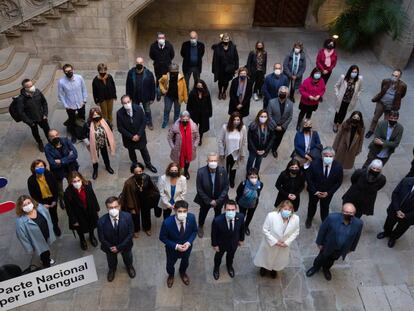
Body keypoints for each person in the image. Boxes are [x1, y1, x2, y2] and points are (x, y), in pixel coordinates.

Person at [306, 203, 362, 280]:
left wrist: (351, 248)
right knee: (321, 258)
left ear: (354, 213)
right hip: (328, 245)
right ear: (342, 211)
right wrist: (319, 243)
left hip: (340, 249)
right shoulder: (332, 218)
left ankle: (326, 269)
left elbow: (357, 237)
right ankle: (315, 267)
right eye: (346, 212)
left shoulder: (358, 223)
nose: (348, 214)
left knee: (332, 260)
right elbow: (322, 230)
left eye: (351, 213)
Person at [254, 200, 300, 278]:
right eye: (285, 209)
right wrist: (275, 242)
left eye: (289, 210)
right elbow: (265, 230)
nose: (287, 211)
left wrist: (287, 242)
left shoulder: (296, 219)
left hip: (283, 245)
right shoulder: (271, 216)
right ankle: (264, 267)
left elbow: (296, 231)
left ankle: (274, 269)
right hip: (270, 244)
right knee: (266, 256)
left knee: (278, 259)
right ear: (280, 208)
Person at [159, 200, 198, 288]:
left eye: (184, 211)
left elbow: (195, 231)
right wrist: (176, 246)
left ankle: (182, 273)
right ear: (175, 210)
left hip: (187, 248)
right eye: (179, 211)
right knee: (170, 265)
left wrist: (188, 243)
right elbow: (162, 237)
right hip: (172, 250)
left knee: (185, 262)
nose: (182, 213)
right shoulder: (167, 223)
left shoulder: (191, 218)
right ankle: (171, 275)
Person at [97, 196, 135, 282]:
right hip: (110, 247)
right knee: (111, 260)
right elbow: (101, 238)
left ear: (119, 206)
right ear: (107, 208)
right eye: (110, 207)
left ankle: (129, 267)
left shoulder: (127, 217)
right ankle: (112, 270)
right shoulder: (101, 221)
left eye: (115, 207)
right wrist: (111, 247)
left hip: (125, 245)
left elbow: (130, 233)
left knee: (128, 257)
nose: (113, 209)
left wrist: (119, 247)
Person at [116, 95, 157, 172]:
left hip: (140, 136)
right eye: (125, 103)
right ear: (122, 104)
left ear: (131, 101)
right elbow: (120, 128)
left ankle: (148, 164)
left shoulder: (138, 108)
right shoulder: (119, 113)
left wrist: (138, 134)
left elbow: (144, 121)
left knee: (144, 151)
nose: (127, 104)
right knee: (131, 151)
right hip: (128, 138)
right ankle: (135, 164)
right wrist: (131, 136)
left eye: (128, 102)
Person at [305, 147, 343, 228]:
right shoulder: (314, 164)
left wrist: (328, 193)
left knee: (325, 207)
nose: (328, 158)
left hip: (327, 193)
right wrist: (315, 191)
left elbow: (338, 182)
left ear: (334, 157)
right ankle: (309, 218)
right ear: (322, 156)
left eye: (330, 156)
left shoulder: (338, 167)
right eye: (326, 156)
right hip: (314, 191)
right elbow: (309, 178)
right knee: (312, 205)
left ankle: (324, 221)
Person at [194, 152, 229, 238]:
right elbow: (199, 189)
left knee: (218, 213)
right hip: (206, 199)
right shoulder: (201, 172)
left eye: (215, 160)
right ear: (207, 161)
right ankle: (200, 226)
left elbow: (226, 187)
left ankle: (216, 226)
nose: (213, 162)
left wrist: (218, 200)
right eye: (211, 160)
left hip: (219, 199)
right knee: (203, 213)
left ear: (217, 161)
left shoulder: (222, 171)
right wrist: (209, 201)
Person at [120, 163, 160, 237]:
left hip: (145, 200)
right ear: (133, 172)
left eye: (140, 171)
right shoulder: (129, 183)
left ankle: (147, 228)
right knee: (135, 216)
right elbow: (128, 195)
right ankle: (136, 230)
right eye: (136, 172)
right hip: (135, 201)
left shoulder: (146, 177)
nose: (139, 173)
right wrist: (131, 208)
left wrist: (153, 197)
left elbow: (152, 188)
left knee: (146, 214)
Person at [15, 195, 56, 267]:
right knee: (44, 253)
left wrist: (51, 228)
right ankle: (46, 265)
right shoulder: (20, 221)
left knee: (47, 249)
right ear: (21, 207)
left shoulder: (40, 208)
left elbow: (48, 217)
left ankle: (45, 259)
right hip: (37, 241)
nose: (27, 206)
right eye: (24, 205)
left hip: (46, 235)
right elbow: (21, 236)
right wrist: (29, 248)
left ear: (32, 202)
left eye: (28, 203)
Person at [365, 69, 407, 138]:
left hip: (391, 106)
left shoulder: (403, 86)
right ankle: (371, 130)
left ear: (399, 77)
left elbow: (402, 95)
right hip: (381, 103)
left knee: (386, 122)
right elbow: (382, 90)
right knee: (375, 118)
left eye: (396, 76)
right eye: (393, 75)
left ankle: (381, 134)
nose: (394, 77)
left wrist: (396, 101)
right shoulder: (385, 81)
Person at [64, 172, 100, 250]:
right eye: (74, 181)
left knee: (91, 225)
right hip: (78, 215)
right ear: (71, 182)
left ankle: (92, 236)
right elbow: (69, 208)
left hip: (90, 211)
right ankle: (82, 240)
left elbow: (93, 197)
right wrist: (74, 220)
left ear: (81, 179)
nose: (77, 183)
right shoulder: (68, 192)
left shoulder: (87, 185)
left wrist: (96, 209)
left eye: (78, 180)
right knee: (80, 229)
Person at [45, 129, 79, 210]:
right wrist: (68, 158)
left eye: (56, 135)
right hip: (57, 171)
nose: (55, 137)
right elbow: (52, 163)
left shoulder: (66, 141)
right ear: (49, 138)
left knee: (73, 184)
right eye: (52, 136)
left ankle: (73, 198)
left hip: (70, 168)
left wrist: (61, 161)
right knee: (59, 189)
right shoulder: (47, 148)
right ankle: (62, 199)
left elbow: (75, 155)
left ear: (58, 134)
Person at [211, 199, 245, 280]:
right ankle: (216, 269)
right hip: (221, 243)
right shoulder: (217, 220)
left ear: (236, 209)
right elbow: (213, 234)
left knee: (231, 256)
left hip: (234, 243)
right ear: (224, 209)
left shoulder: (240, 217)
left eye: (232, 210)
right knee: (218, 257)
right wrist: (214, 245)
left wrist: (241, 239)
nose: (230, 211)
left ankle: (229, 266)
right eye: (228, 209)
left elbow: (242, 229)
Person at [377, 177, 414, 248]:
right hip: (395, 210)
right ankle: (386, 232)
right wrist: (397, 209)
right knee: (389, 223)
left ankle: (393, 238)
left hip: (409, 216)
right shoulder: (406, 181)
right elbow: (395, 193)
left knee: (401, 228)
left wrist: (406, 215)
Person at [27, 159, 61, 236]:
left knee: (53, 214)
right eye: (37, 167)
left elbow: (56, 188)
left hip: (51, 199)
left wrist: (55, 200)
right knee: (43, 216)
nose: (40, 168)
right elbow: (33, 195)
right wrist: (41, 204)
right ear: (33, 169)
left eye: (42, 166)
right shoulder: (31, 180)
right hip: (41, 201)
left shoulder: (49, 175)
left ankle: (55, 226)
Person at [16, 78, 50, 152]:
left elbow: (44, 103)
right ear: (25, 88)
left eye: (32, 85)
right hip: (31, 120)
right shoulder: (21, 99)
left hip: (42, 116)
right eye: (29, 86)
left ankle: (51, 141)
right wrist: (29, 122)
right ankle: (39, 142)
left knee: (47, 130)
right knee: (35, 132)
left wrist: (45, 114)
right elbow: (21, 112)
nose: (32, 87)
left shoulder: (37, 92)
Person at [57, 64, 88, 143]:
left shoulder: (79, 78)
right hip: (70, 105)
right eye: (66, 71)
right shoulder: (61, 82)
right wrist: (66, 105)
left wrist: (84, 100)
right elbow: (60, 95)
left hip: (81, 103)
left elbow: (84, 89)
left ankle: (84, 133)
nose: (68, 72)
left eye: (70, 71)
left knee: (82, 118)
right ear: (64, 72)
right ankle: (73, 135)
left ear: (73, 70)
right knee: (72, 120)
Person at [82, 107, 115, 180]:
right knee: (95, 157)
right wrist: (88, 143)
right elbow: (83, 135)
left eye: (97, 114)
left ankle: (108, 167)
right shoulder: (87, 124)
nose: (96, 116)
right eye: (94, 115)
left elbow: (110, 129)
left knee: (105, 156)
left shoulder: (105, 121)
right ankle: (95, 170)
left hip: (103, 142)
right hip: (94, 145)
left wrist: (109, 138)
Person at [167, 111, 200, 180]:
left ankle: (186, 171)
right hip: (178, 149)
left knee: (187, 162)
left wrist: (194, 146)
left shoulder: (193, 126)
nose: (185, 121)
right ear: (180, 119)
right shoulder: (175, 127)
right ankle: (178, 172)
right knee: (178, 162)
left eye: (186, 119)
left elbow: (197, 137)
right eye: (183, 119)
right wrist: (173, 147)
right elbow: (169, 137)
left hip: (189, 150)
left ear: (189, 119)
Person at [218, 112, 247, 188]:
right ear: (231, 120)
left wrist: (243, 154)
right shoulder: (225, 127)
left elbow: (244, 142)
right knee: (225, 168)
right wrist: (221, 153)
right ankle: (224, 181)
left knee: (233, 168)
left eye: (238, 119)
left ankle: (231, 180)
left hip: (236, 153)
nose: (236, 121)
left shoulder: (243, 128)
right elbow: (220, 140)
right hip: (226, 153)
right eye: (234, 119)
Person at [125, 57, 156, 130]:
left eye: (140, 63)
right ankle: (137, 123)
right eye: (137, 63)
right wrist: (128, 97)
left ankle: (149, 122)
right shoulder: (131, 73)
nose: (139, 64)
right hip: (134, 96)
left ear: (143, 63)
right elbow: (128, 85)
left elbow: (152, 86)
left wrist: (152, 97)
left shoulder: (149, 73)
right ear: (135, 64)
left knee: (147, 110)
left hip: (146, 96)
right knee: (135, 111)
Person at [332, 65, 363, 132]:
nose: (354, 73)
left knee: (344, 112)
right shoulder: (343, 78)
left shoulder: (359, 80)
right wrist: (337, 94)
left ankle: (339, 124)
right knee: (338, 111)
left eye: (356, 72)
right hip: (341, 99)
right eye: (353, 71)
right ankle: (335, 123)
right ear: (350, 71)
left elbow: (360, 89)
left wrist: (357, 95)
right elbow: (336, 86)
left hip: (349, 101)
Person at [159, 63, 188, 128]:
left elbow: (184, 88)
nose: (173, 73)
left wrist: (185, 98)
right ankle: (165, 121)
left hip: (178, 97)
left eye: (175, 72)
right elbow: (160, 82)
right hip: (168, 96)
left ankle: (176, 121)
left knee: (177, 110)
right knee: (167, 109)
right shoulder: (165, 77)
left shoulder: (181, 77)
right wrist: (163, 89)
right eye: (172, 72)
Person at [267, 85, 293, 158]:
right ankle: (267, 149)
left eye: (284, 93)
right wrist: (275, 126)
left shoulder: (290, 104)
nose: (282, 94)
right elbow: (269, 115)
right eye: (281, 92)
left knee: (278, 139)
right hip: (272, 125)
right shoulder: (271, 102)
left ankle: (274, 149)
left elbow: (290, 117)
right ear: (278, 92)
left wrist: (282, 126)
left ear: (287, 94)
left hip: (282, 127)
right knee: (269, 138)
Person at [236, 168, 263, 236]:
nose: (253, 178)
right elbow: (238, 192)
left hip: (253, 204)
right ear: (248, 177)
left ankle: (246, 226)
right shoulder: (243, 184)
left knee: (250, 216)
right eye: (251, 177)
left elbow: (259, 193)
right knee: (242, 215)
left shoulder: (260, 184)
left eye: (255, 177)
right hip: (242, 203)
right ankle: (240, 227)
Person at [212, 33, 239, 100]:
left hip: (229, 68)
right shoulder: (218, 48)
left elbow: (236, 58)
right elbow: (214, 59)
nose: (226, 40)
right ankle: (220, 92)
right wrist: (213, 69)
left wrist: (236, 68)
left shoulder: (233, 47)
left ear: (229, 39)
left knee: (226, 82)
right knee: (220, 82)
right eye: (224, 39)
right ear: (222, 40)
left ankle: (224, 92)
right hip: (220, 68)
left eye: (227, 39)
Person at [149, 32, 175, 101]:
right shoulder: (153, 46)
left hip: (167, 67)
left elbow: (172, 55)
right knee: (158, 80)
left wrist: (167, 61)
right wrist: (157, 60)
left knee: (166, 79)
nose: (161, 39)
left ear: (165, 38)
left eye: (162, 38)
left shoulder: (169, 45)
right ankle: (158, 93)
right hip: (158, 66)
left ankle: (165, 92)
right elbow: (151, 55)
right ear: (157, 39)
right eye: (159, 38)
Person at [186, 79, 212, 145]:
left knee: (202, 127)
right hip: (194, 113)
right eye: (198, 86)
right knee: (194, 126)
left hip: (203, 113)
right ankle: (195, 137)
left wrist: (210, 113)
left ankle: (200, 138)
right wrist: (188, 114)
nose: (199, 87)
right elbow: (189, 105)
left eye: (201, 86)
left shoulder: (206, 93)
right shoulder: (192, 93)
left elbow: (209, 104)